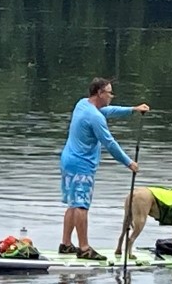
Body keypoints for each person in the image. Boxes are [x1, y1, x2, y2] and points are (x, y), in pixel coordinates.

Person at [59, 78, 149, 259]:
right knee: (82, 206)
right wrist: (129, 163)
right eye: (109, 92)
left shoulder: (83, 104)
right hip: (81, 165)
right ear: (100, 93)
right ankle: (84, 249)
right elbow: (109, 143)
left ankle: (66, 244)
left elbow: (108, 111)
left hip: (68, 161)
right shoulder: (95, 117)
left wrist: (132, 110)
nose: (111, 96)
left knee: (73, 204)